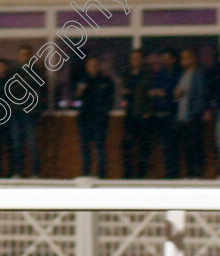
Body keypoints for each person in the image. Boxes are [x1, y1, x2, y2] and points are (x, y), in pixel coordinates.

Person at [75, 57, 114, 178]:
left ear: (99, 66)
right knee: (86, 149)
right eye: (91, 65)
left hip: (99, 120)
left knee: (100, 147)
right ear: (87, 67)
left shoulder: (106, 81)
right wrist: (79, 93)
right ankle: (86, 174)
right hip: (85, 119)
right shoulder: (83, 81)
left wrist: (104, 113)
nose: (93, 67)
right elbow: (77, 99)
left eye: (96, 65)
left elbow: (110, 100)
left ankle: (102, 176)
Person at [9, 45, 44, 177]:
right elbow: (12, 89)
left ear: (31, 56)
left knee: (32, 143)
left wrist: (24, 85)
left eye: (27, 54)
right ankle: (18, 171)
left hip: (30, 111)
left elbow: (36, 87)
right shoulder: (13, 71)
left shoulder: (37, 71)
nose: (24, 57)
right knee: (17, 143)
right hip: (16, 111)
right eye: (22, 54)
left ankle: (36, 172)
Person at [173, 49, 208, 178]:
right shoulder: (183, 74)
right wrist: (177, 95)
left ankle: (197, 174)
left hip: (192, 118)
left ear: (193, 58)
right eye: (182, 58)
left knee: (195, 147)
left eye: (186, 58)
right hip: (182, 118)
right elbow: (178, 94)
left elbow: (200, 96)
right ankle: (190, 174)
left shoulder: (198, 75)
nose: (184, 61)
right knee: (187, 148)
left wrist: (195, 114)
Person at [148, 49, 181, 178]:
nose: (164, 61)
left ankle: (174, 173)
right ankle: (168, 173)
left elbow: (175, 92)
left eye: (167, 58)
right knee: (165, 146)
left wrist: (165, 93)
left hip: (172, 114)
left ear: (173, 59)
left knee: (174, 146)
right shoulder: (160, 74)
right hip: (160, 115)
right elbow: (155, 90)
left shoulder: (178, 73)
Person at [121, 49, 152, 179]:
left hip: (143, 116)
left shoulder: (147, 75)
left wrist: (147, 112)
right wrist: (124, 94)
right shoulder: (127, 75)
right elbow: (124, 96)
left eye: (138, 58)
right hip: (130, 116)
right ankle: (128, 176)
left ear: (142, 60)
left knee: (143, 148)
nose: (136, 61)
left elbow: (150, 96)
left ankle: (142, 176)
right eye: (133, 58)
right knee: (127, 147)